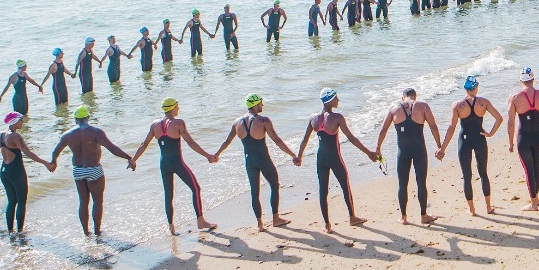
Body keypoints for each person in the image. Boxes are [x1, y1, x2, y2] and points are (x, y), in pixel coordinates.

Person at [129, 98, 219, 235]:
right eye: (177, 106)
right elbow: (191, 143)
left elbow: (144, 144)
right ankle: (200, 221)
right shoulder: (178, 123)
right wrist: (207, 156)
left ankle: (171, 227)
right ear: (173, 108)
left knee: (168, 195)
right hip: (177, 163)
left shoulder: (154, 125)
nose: (178, 109)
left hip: (164, 164)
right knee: (195, 188)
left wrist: (133, 160)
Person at [297, 89, 376, 232]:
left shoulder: (313, 118)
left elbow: (304, 139)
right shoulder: (337, 117)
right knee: (345, 186)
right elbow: (352, 138)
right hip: (335, 158)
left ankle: (327, 225)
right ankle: (352, 218)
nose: (338, 100)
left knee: (323, 190)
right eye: (336, 98)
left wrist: (299, 156)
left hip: (320, 158)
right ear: (330, 100)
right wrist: (368, 153)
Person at [50, 105, 136, 235]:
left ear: (76, 119)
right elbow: (112, 148)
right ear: (88, 118)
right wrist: (129, 158)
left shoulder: (67, 135)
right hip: (94, 169)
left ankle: (86, 232)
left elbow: (55, 151)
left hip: (78, 171)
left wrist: (53, 163)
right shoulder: (96, 132)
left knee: (83, 202)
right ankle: (97, 231)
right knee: (97, 201)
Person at [217, 94, 298, 230]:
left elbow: (227, 142)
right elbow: (277, 140)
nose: (262, 105)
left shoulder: (237, 123)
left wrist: (216, 154)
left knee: (254, 191)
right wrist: (293, 155)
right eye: (261, 103)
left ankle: (260, 224)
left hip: (249, 161)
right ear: (255, 104)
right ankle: (276, 218)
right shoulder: (264, 121)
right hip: (263, 159)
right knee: (274, 185)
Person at [438, 76, 504, 215]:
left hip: (465, 141)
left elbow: (451, 127)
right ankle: (488, 207)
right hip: (480, 139)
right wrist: (491, 133)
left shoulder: (457, 105)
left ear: (465, 88)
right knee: (483, 173)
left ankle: (472, 209)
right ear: (475, 88)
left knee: (467, 176)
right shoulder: (484, 102)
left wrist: (442, 148)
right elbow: (499, 118)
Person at [376, 88, 441, 224]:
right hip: (419, 151)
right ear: (415, 97)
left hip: (403, 152)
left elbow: (383, 129)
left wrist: (378, 148)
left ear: (403, 97)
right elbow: (433, 126)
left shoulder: (394, 108)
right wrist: (439, 146)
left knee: (402, 184)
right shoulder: (422, 106)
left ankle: (403, 217)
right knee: (421, 182)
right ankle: (423, 216)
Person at [0, 111, 52, 233]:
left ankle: (9, 230)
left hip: (4, 172)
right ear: (14, 122)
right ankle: (20, 231)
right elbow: (28, 153)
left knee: (11, 202)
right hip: (16, 171)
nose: (22, 123)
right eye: (20, 120)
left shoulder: (0, 135)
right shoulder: (15, 137)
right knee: (21, 202)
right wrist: (45, 163)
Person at [507, 68, 539, 211]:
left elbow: (510, 123)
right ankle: (536, 198)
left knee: (529, 170)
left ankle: (534, 203)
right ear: (533, 79)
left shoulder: (515, 98)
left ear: (521, 80)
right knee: (536, 169)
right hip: (538, 138)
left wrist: (510, 142)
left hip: (523, 139)